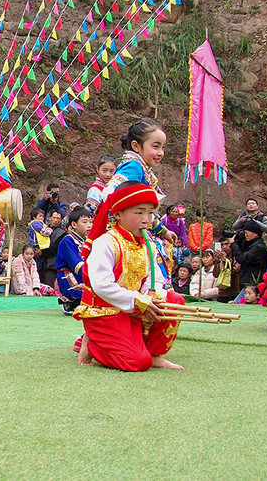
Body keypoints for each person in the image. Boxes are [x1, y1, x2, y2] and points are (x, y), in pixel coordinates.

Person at [74, 181, 185, 371]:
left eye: (150, 213)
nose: (146, 219)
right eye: (139, 212)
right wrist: (138, 300)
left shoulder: (146, 244)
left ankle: (152, 353)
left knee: (174, 300)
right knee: (137, 362)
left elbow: (154, 278)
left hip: (133, 308)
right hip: (105, 312)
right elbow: (101, 286)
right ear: (118, 214)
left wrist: (152, 295)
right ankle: (92, 343)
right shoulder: (106, 243)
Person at [101, 119, 179, 246]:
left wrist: (163, 231)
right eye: (155, 146)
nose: (160, 153)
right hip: (125, 236)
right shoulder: (134, 167)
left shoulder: (141, 167)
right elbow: (109, 193)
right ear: (136, 146)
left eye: (162, 147)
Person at [55, 207, 92, 314]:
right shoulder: (68, 240)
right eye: (85, 222)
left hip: (83, 275)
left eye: (91, 222)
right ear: (74, 225)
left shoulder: (88, 242)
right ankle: (70, 301)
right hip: (68, 276)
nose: (89, 225)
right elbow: (77, 265)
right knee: (92, 292)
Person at [228, 219, 267, 286]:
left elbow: (241, 258)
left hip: (254, 283)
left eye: (247, 233)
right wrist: (239, 242)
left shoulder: (259, 248)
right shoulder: (250, 244)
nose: (245, 235)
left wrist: (233, 244)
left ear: (256, 234)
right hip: (247, 281)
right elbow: (240, 253)